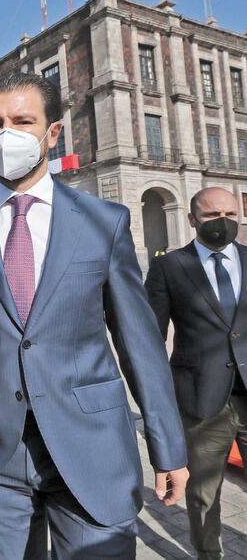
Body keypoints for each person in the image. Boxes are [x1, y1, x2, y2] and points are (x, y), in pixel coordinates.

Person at [0, 72, 189, 559]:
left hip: (90, 446)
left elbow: (140, 345)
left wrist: (167, 443)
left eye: (23, 121)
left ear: (53, 133)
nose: (5, 134)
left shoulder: (102, 222)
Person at [145, 187, 247, 560]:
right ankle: (209, 555)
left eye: (232, 215)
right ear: (192, 220)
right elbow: (150, 340)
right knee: (204, 495)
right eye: (211, 215)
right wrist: (157, 402)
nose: (224, 222)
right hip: (201, 400)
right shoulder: (168, 267)